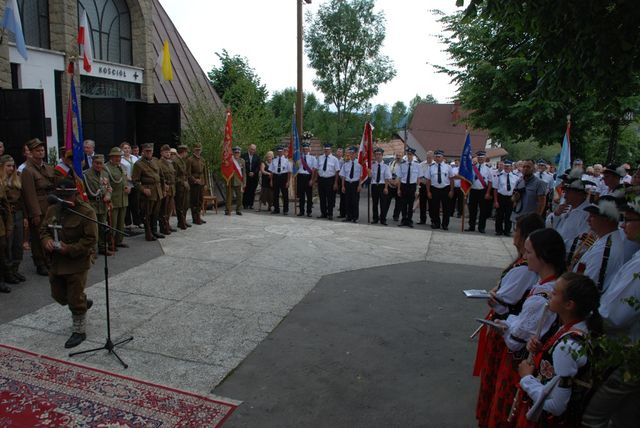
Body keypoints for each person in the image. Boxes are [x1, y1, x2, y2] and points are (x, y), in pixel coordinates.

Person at [486, 228, 567, 426]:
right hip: (531, 358)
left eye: (529, 252)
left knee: (508, 412)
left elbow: (515, 341)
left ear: (543, 256)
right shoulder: (550, 285)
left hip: (523, 365)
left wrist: (505, 325)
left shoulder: (542, 298)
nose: (525, 256)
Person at [475, 213, 545, 427]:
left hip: (509, 336)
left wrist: (496, 299)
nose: (514, 235)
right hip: (509, 331)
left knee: (501, 387)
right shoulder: (523, 265)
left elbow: (505, 303)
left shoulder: (525, 269)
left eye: (517, 230)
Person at [515, 272, 602, 427]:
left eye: (554, 293)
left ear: (569, 305)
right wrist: (542, 352)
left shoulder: (566, 346)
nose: (549, 295)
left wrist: (526, 378)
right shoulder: (578, 328)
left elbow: (557, 406)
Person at [586, 192, 640, 427]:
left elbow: (615, 316)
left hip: (627, 351)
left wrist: (587, 319)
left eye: (629, 220)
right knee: (625, 415)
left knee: (593, 415)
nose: (623, 224)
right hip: (626, 348)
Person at [41, 178, 98, 348]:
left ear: (75, 194)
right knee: (58, 295)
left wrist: (70, 249)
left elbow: (91, 239)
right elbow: (44, 229)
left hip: (77, 261)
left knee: (74, 297)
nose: (64, 199)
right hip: (57, 261)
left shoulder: (86, 212)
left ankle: (79, 330)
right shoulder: (53, 209)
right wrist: (46, 241)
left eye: (68, 196)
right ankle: (82, 301)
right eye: (61, 196)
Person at [572, 198, 625, 292]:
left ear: (607, 219)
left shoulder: (605, 250)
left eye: (592, 216)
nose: (588, 220)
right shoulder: (605, 241)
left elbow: (584, 287)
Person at [21, 138, 56, 276]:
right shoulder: (27, 171)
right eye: (37, 150)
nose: (41, 152)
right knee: (38, 236)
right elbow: (29, 194)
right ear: (31, 152)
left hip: (50, 205)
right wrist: (35, 213)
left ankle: (49, 260)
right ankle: (40, 262)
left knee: (50, 233)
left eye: (42, 150)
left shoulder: (47, 167)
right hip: (39, 207)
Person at [546, 169, 591, 251]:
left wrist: (558, 245)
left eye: (568, 193)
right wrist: (556, 214)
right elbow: (549, 225)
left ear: (579, 194)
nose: (565, 196)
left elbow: (582, 243)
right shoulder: (566, 205)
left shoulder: (588, 214)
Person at [132, 143, 165, 241]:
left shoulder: (155, 161)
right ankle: (148, 233)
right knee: (147, 213)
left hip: (157, 190)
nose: (148, 152)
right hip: (148, 191)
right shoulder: (138, 164)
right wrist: (143, 189)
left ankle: (154, 231)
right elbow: (135, 181)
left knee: (155, 212)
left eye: (150, 151)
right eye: (146, 151)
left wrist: (163, 189)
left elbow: (161, 176)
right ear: (143, 151)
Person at [0, 155, 26, 284]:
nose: (11, 168)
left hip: (18, 214)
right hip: (6, 217)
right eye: (8, 166)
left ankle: (15, 270)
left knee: (17, 243)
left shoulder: (17, 180)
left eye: (12, 166)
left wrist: (25, 217)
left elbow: (23, 200)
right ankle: (7, 273)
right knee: (7, 245)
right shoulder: (1, 182)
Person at [83, 154, 112, 256]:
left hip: (103, 204)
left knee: (103, 226)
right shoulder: (86, 175)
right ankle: (92, 250)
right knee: (92, 228)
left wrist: (108, 194)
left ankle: (103, 247)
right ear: (93, 163)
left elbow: (109, 188)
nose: (99, 165)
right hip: (92, 204)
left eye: (101, 163)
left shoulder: (105, 173)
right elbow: (84, 191)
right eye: (97, 163)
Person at [104, 147, 129, 250]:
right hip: (113, 199)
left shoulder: (121, 167)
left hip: (123, 199)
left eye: (119, 156)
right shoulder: (106, 168)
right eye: (116, 156)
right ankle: (111, 243)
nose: (118, 158)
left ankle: (119, 241)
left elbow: (124, 180)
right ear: (111, 157)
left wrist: (127, 187)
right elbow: (106, 184)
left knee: (120, 222)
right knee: (112, 223)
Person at [426, 149, 454, 230]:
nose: (437, 158)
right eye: (436, 157)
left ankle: (445, 224)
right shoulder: (430, 167)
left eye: (439, 157)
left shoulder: (448, 167)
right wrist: (428, 192)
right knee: (434, 207)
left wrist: (452, 190)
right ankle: (436, 223)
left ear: (442, 157)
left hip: (446, 189)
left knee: (446, 208)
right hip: (434, 189)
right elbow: (428, 180)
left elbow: (451, 179)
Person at [466, 150, 493, 233]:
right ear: (477, 158)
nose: (480, 159)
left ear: (485, 158)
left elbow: (490, 182)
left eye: (482, 157)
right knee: (472, 210)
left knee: (483, 210)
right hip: (473, 190)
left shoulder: (488, 169)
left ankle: (481, 227)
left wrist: (488, 192)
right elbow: (468, 179)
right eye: (479, 157)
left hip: (483, 191)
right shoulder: (472, 167)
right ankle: (472, 226)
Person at [316, 143, 341, 220]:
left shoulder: (334, 159)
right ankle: (323, 213)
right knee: (322, 197)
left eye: (328, 149)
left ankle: (330, 214)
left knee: (330, 198)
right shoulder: (320, 158)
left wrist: (336, 183)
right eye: (325, 149)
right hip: (321, 179)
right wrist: (317, 180)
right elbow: (317, 169)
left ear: (331, 150)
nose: (326, 150)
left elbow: (337, 171)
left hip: (330, 180)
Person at [493, 160, 518, 236]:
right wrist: (496, 201)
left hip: (510, 198)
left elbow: (516, 190)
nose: (507, 167)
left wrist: (515, 201)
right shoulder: (499, 176)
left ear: (511, 167)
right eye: (505, 166)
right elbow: (495, 189)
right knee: (499, 215)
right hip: (501, 197)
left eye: (508, 166)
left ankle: (507, 231)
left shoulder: (515, 177)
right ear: (503, 167)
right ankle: (498, 230)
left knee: (509, 215)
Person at [120, 142, 141, 230]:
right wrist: (131, 179)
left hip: (135, 184)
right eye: (125, 148)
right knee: (127, 204)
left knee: (135, 204)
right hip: (127, 184)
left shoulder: (134, 158)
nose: (127, 150)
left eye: (128, 148)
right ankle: (127, 223)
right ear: (121, 150)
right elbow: (122, 173)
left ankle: (137, 222)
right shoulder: (121, 160)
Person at [398, 147, 420, 228]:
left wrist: (417, 190)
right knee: (403, 204)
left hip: (412, 186)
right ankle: (403, 219)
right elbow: (400, 178)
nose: (409, 156)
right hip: (404, 185)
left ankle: (409, 220)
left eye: (410, 154)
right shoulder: (402, 165)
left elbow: (418, 178)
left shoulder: (417, 165)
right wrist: (399, 189)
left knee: (411, 204)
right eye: (408, 154)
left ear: (413, 155)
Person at [339, 147, 362, 223]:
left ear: (356, 154)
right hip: (347, 183)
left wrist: (359, 185)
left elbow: (361, 176)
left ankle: (355, 217)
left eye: (352, 153)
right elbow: (343, 176)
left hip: (355, 184)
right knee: (347, 201)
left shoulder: (360, 164)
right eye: (350, 153)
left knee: (355, 201)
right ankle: (348, 216)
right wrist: (343, 186)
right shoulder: (346, 164)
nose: (351, 155)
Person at [370, 148, 392, 225]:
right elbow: (371, 176)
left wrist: (386, 188)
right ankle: (375, 218)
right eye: (376, 154)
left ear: (382, 156)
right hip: (374, 185)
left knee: (383, 204)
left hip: (383, 186)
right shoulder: (372, 166)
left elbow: (387, 178)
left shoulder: (386, 166)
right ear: (375, 155)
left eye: (379, 154)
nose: (378, 156)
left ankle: (383, 219)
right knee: (374, 203)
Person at [158, 144, 176, 234]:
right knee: (164, 209)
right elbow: (159, 176)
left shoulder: (170, 163)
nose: (168, 154)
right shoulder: (159, 163)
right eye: (166, 152)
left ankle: (167, 223)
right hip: (165, 188)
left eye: (169, 152)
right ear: (161, 153)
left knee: (169, 209)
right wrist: (164, 184)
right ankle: (163, 227)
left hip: (172, 188)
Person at [186, 143, 206, 225]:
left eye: (199, 149)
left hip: (201, 182)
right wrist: (194, 180)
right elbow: (188, 173)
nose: (198, 151)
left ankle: (198, 216)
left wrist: (205, 183)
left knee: (200, 200)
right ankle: (195, 218)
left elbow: (204, 172)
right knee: (194, 201)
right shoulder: (190, 160)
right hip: (194, 183)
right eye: (196, 150)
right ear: (193, 150)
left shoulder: (202, 159)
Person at [296, 143, 317, 217]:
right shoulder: (299, 158)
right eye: (304, 149)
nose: (305, 150)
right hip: (300, 176)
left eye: (306, 149)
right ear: (302, 150)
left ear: (308, 149)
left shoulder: (312, 158)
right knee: (301, 195)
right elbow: (296, 167)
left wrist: (312, 180)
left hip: (308, 177)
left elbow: (314, 170)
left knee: (309, 196)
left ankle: (309, 211)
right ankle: (301, 211)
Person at [269, 146, 291, 215]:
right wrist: (271, 180)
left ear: (283, 152)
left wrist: (288, 181)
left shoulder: (287, 160)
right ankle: (276, 209)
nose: (280, 152)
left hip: (283, 177)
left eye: (281, 151)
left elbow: (289, 172)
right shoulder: (274, 160)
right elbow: (272, 171)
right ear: (277, 152)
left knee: (285, 195)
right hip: (276, 177)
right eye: (278, 151)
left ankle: (285, 210)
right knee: (275, 194)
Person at [173, 145, 191, 229]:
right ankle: (180, 222)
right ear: (183, 152)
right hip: (179, 187)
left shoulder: (182, 160)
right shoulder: (175, 161)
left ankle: (183, 220)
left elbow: (185, 174)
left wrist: (186, 181)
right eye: (186, 152)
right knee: (180, 205)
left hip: (184, 186)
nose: (187, 154)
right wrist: (182, 182)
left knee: (185, 205)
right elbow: (174, 176)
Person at [226, 147, 246, 215]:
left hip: (239, 181)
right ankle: (227, 210)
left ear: (240, 153)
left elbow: (244, 172)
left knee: (239, 196)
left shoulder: (242, 161)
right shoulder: (230, 160)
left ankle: (238, 210)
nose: (237, 154)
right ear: (233, 153)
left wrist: (244, 182)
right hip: (230, 180)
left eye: (238, 153)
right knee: (229, 197)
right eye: (235, 152)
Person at [242, 144, 260, 210]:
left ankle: (250, 204)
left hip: (254, 176)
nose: (253, 151)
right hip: (246, 176)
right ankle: (245, 204)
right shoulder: (244, 156)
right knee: (246, 190)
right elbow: (242, 167)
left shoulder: (257, 157)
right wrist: (248, 172)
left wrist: (253, 173)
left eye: (254, 149)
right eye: (252, 149)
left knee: (252, 191)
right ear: (249, 148)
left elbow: (258, 167)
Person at [418, 151, 434, 225]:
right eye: (427, 157)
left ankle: (433, 220)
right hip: (423, 185)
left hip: (432, 186)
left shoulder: (435, 165)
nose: (428, 158)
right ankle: (422, 219)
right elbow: (419, 176)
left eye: (430, 157)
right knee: (422, 204)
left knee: (432, 204)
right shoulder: (421, 164)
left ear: (432, 157)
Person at [389, 152, 404, 221]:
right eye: (397, 155)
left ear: (402, 156)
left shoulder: (404, 164)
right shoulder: (392, 163)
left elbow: (403, 175)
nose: (398, 157)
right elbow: (388, 173)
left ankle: (396, 216)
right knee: (387, 201)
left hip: (399, 185)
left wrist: (397, 182)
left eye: (399, 155)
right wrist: (391, 181)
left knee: (399, 202)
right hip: (391, 184)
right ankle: (383, 215)